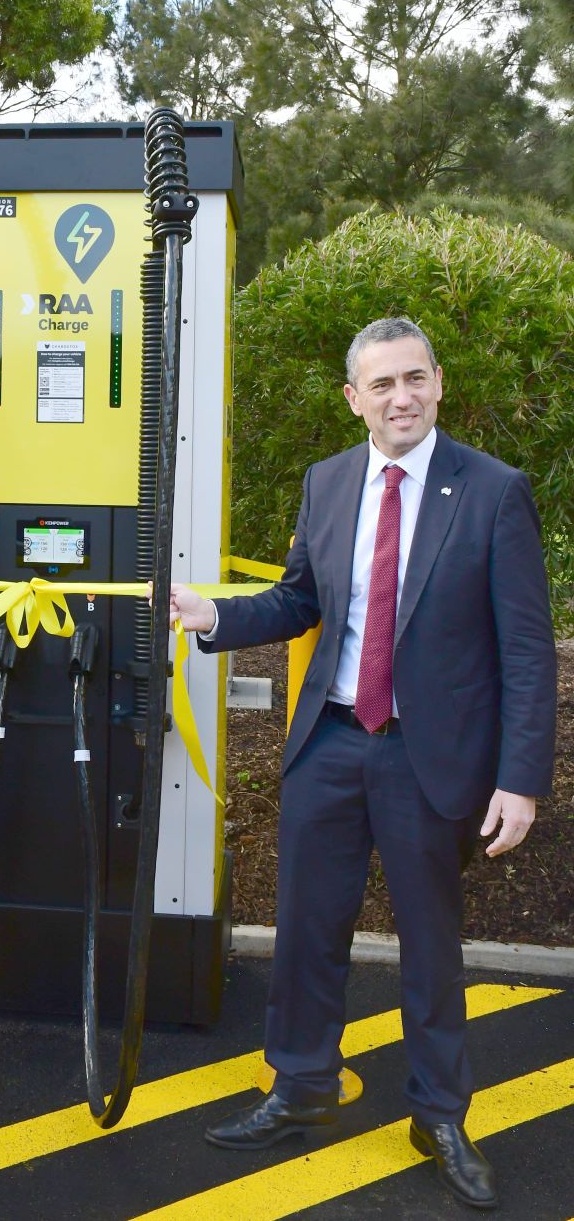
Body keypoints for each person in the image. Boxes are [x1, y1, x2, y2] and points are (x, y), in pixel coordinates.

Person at [170, 317, 555, 1211]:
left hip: (431, 757)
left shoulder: (494, 491)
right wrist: (217, 617)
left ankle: (440, 1115)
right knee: (307, 928)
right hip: (332, 742)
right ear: (355, 398)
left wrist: (521, 779)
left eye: (415, 378)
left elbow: (527, 652)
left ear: (439, 382)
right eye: (382, 384)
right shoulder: (329, 481)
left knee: (430, 944)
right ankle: (302, 1086)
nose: (401, 397)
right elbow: (301, 599)